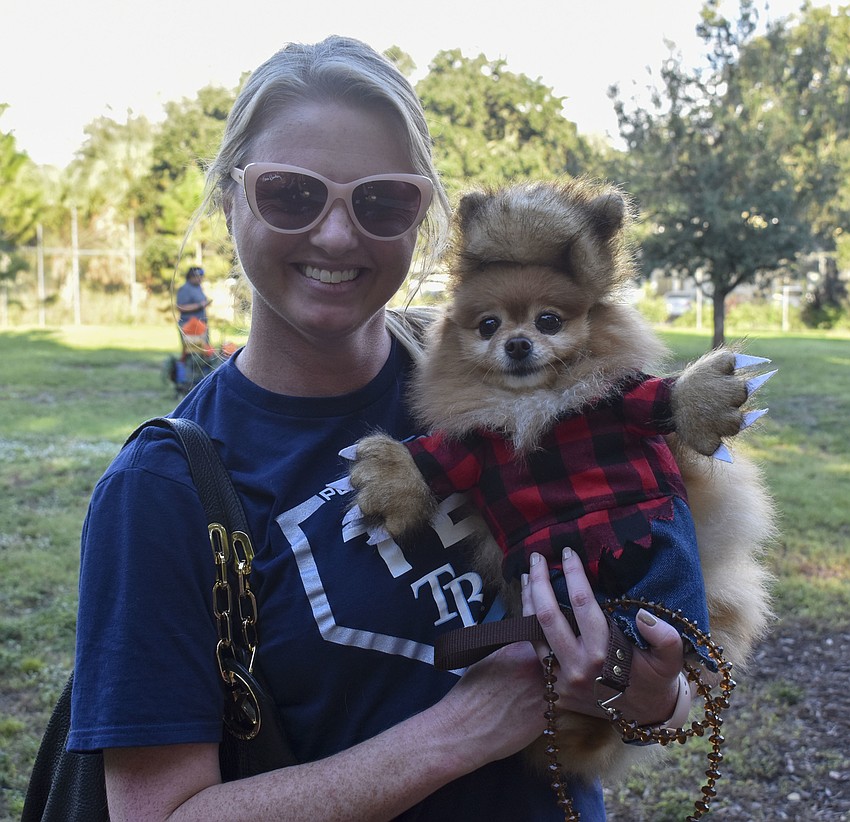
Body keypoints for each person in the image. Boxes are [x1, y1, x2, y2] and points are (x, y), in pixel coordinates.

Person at [69, 36, 693, 821]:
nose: (336, 236)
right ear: (230, 198)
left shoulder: (499, 377)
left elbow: (667, 684)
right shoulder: (160, 491)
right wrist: (456, 733)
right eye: (290, 195)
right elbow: (156, 814)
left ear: (423, 216)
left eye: (381, 201)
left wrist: (650, 686)